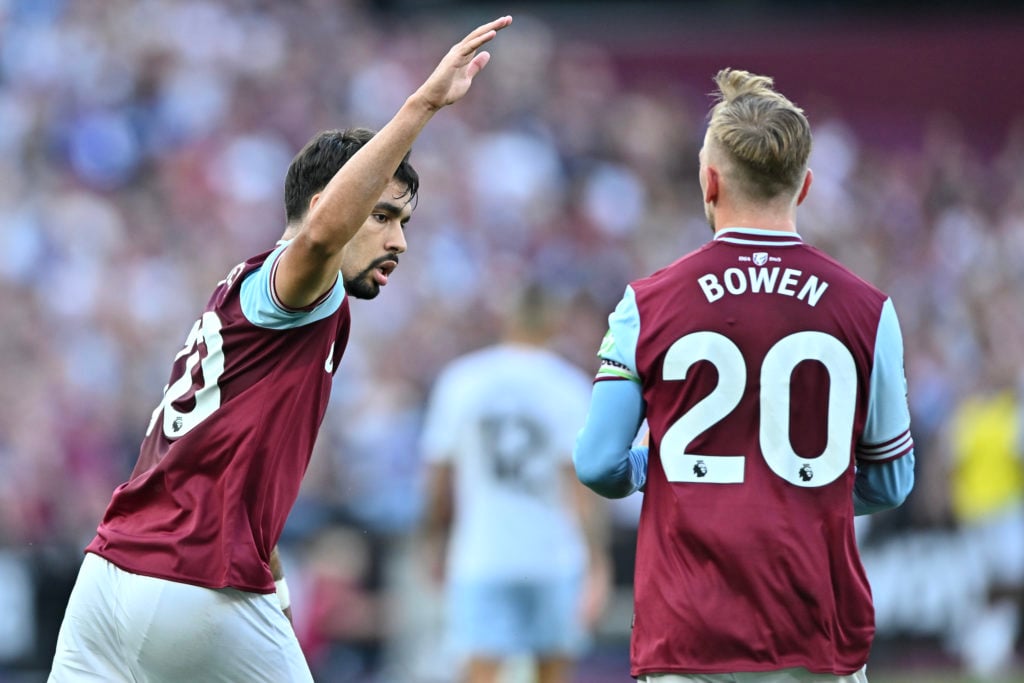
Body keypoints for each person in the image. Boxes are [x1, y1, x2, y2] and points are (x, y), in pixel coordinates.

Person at [47, 14, 513, 683]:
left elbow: (233, 477)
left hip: (108, 580)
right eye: (382, 215)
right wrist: (424, 103)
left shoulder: (246, 291)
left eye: (404, 222)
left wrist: (279, 585)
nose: (399, 242)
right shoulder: (297, 279)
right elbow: (321, 236)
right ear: (332, 202)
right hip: (193, 582)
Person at [573, 68, 915, 683]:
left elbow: (598, 463)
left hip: (688, 631)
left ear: (708, 180)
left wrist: (664, 469)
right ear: (804, 186)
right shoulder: (870, 310)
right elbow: (891, 483)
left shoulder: (645, 304)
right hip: (817, 629)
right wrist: (803, 493)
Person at [420, 282, 612, 683]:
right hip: (553, 556)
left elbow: (438, 478)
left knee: (479, 673)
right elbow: (581, 488)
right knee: (552, 674)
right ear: (555, 322)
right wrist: (597, 562)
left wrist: (433, 541)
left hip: (482, 554)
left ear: (505, 318)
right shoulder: (569, 386)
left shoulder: (463, 380)